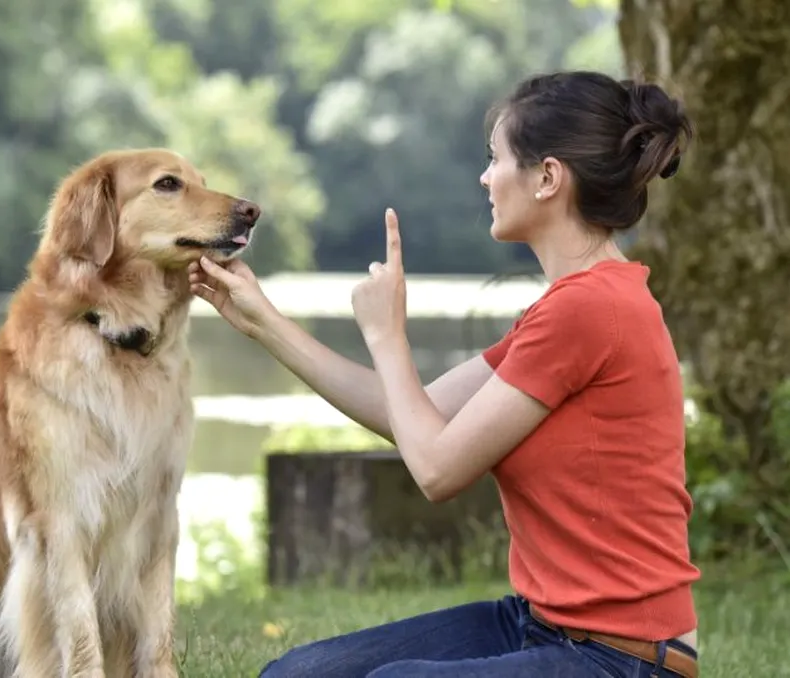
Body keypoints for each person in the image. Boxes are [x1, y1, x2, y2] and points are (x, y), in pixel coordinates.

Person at [188, 70, 701, 677]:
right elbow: (415, 415)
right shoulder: (570, 307)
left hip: (621, 658)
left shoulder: (590, 310)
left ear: (547, 178)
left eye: (495, 159)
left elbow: (435, 469)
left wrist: (387, 335)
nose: (485, 178)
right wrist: (263, 321)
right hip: (540, 625)